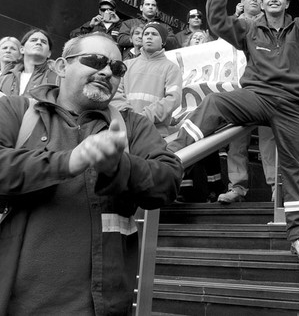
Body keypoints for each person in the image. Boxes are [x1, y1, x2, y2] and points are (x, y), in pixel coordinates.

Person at [167, 0, 299, 260]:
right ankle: (171, 155)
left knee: (294, 168)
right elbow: (217, 22)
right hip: (257, 97)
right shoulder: (249, 28)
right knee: (215, 102)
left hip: (292, 106)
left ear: (288, 3)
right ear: (261, 4)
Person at [0, 32, 182, 315]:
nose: (107, 71)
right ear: (61, 66)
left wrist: (119, 166)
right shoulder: (16, 110)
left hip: (102, 306)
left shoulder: (132, 125)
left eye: (117, 68)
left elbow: (168, 179)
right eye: (95, 61)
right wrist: (68, 162)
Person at [216, 0, 278, 205]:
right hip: (236, 91)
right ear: (241, 1)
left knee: (269, 140)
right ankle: (237, 188)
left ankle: (275, 187)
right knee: (235, 140)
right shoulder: (231, 25)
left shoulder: (272, 23)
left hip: (264, 90)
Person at [115, 22, 183, 137]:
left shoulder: (172, 68)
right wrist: (127, 116)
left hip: (155, 134)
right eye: (146, 34)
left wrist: (143, 117)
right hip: (124, 130)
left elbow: (173, 99)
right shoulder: (126, 65)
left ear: (163, 41)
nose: (149, 37)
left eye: (154, 34)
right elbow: (115, 93)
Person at [0, 28, 59, 96]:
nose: (38, 43)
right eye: (33, 40)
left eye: (43, 42)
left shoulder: (57, 79)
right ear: (22, 49)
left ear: (49, 53)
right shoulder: (4, 79)